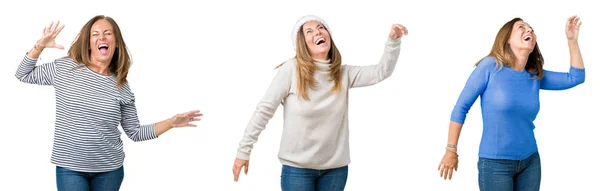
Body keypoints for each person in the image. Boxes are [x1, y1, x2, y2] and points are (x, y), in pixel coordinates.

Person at [14, 15, 203, 191]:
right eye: (95, 34)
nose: (101, 37)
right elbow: (23, 74)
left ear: (116, 43)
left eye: (107, 33)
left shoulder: (122, 85)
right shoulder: (65, 68)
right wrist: (40, 45)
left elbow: (135, 133)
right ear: (88, 43)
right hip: (70, 167)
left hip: (109, 171)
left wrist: (171, 123)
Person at [231, 15, 408, 190]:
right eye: (309, 31)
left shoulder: (343, 73)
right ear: (302, 43)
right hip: (297, 170)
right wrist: (243, 151)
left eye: (321, 28)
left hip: (335, 170)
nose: (317, 32)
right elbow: (264, 110)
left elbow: (380, 72)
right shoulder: (292, 70)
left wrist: (393, 41)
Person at [437, 16, 585, 191]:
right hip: (495, 165)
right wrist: (451, 150)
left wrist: (572, 40)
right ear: (507, 39)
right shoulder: (490, 66)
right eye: (521, 27)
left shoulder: (534, 75)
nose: (529, 30)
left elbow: (576, 78)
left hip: (530, 162)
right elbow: (461, 108)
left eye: (531, 28)